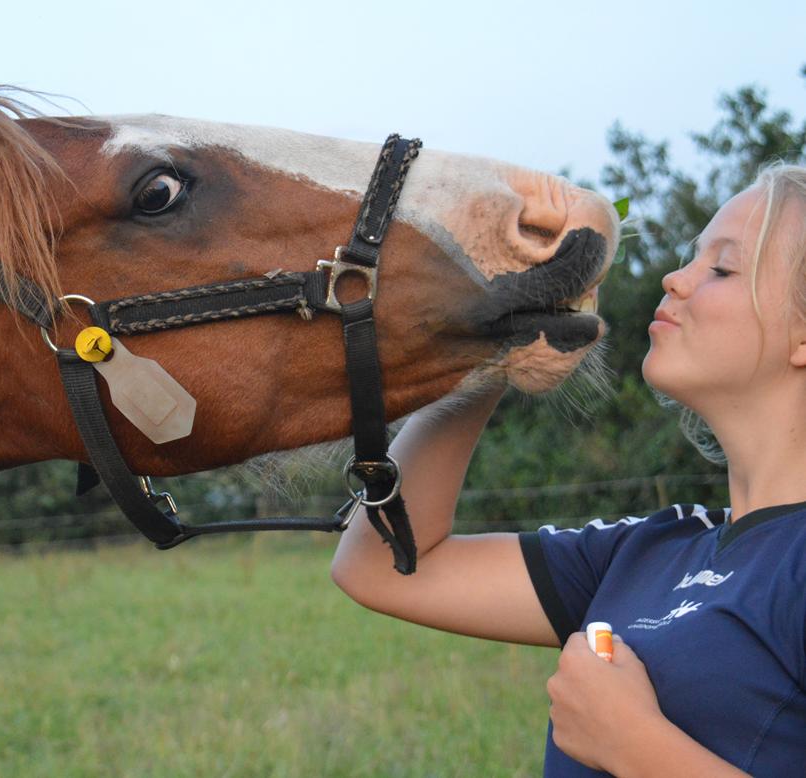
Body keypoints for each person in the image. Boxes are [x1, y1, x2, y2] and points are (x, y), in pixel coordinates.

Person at [331, 164, 806, 777]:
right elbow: (381, 568)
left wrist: (630, 742)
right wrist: (495, 345)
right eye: (691, 258)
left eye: (722, 268)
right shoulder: (650, 549)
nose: (674, 279)